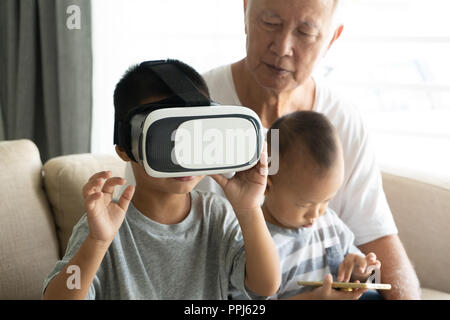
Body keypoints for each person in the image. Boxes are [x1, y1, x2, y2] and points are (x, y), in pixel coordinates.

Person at [195, 0, 421, 299]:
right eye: (271, 23)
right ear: (245, 11)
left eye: (305, 32)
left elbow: (379, 246)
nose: (283, 47)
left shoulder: (342, 122)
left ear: (331, 39)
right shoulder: (192, 114)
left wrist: (360, 270)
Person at [42, 60, 281, 299]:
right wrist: (97, 242)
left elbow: (266, 285)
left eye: (194, 139)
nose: (182, 157)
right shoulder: (104, 225)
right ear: (125, 148)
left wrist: (249, 208)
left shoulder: (216, 214)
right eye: (167, 140)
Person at [231, 111, 381, 300]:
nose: (316, 213)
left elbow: (374, 279)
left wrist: (361, 271)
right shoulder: (254, 244)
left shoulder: (329, 224)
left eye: (326, 200)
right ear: (267, 186)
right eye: (305, 204)